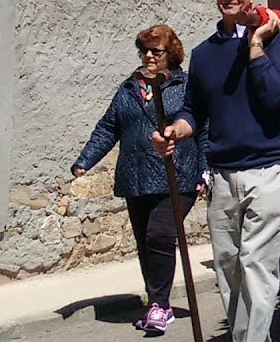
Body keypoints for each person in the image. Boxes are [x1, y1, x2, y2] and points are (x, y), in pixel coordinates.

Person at [153, 0, 280, 342]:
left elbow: (276, 98)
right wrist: (176, 131)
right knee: (228, 265)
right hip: (222, 172)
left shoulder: (278, 42)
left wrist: (255, 44)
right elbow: (193, 111)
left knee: (256, 263)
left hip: (269, 168)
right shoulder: (203, 54)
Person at [73, 25, 206, 333]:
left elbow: (204, 127)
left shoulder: (186, 88)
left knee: (160, 235)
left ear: (170, 55)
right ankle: (156, 300)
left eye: (155, 51)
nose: (148, 56)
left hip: (178, 176)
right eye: (143, 50)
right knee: (145, 243)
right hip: (136, 177)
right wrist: (85, 160)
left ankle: (160, 306)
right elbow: (109, 127)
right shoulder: (129, 88)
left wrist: (204, 168)